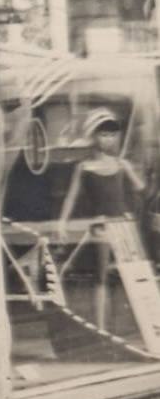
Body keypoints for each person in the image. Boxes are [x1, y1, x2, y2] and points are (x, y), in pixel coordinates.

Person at [57, 107, 148, 329]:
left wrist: (133, 168)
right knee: (102, 278)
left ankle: (145, 324)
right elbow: (71, 197)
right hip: (102, 227)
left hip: (124, 226)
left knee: (136, 274)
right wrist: (62, 223)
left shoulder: (120, 164)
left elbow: (141, 188)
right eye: (103, 134)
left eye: (111, 135)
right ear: (92, 136)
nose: (108, 139)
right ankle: (102, 327)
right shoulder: (84, 167)